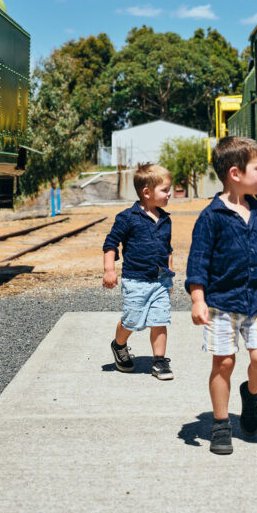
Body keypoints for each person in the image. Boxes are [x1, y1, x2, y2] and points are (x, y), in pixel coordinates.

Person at [185, 136, 257, 454]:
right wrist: (198, 299)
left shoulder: (256, 209)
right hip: (222, 302)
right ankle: (221, 424)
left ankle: (250, 395)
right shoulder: (211, 217)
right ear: (235, 174)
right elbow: (197, 261)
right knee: (223, 362)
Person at [102, 163, 175, 380]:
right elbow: (111, 243)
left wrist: (170, 277)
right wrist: (109, 269)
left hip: (160, 281)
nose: (169, 194)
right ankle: (119, 345)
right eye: (165, 190)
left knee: (160, 320)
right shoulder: (127, 217)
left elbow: (168, 250)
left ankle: (159, 361)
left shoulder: (165, 218)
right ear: (146, 192)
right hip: (135, 280)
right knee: (133, 320)